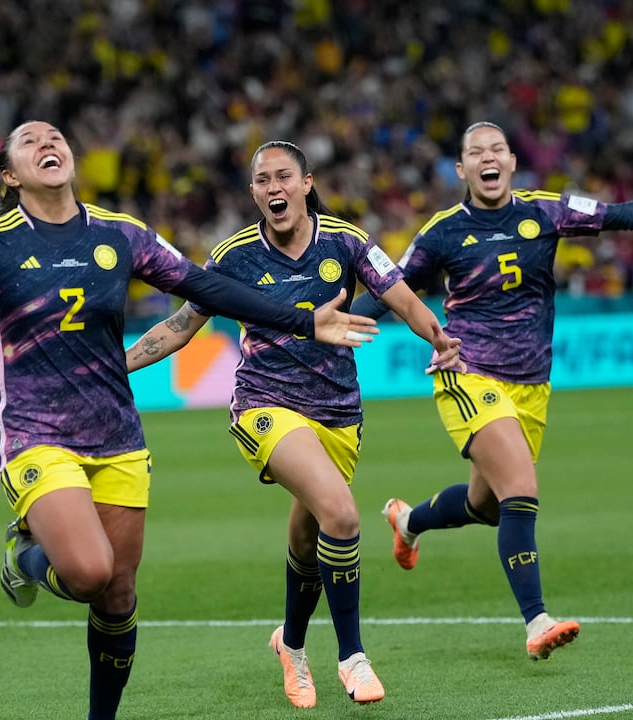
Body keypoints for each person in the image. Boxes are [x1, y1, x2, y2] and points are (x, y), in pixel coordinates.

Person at [0, 120, 382, 720]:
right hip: (34, 431)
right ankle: (23, 557)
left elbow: (203, 287)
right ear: (12, 173)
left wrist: (305, 319)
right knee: (85, 571)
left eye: (55, 137)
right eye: (30, 141)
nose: (47, 143)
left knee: (119, 597)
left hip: (118, 435)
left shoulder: (121, 234)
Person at [351, 121, 633, 660]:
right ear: (461, 170)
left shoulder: (546, 210)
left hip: (531, 385)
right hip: (467, 374)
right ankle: (536, 621)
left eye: (497, 150)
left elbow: (623, 217)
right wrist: (328, 325)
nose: (487, 159)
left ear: (512, 161)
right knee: (521, 491)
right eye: (474, 153)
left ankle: (408, 520)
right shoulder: (442, 231)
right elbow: (389, 289)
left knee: (486, 505)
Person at [125, 141, 463, 708]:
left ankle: (293, 646)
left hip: (337, 413)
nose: (273, 188)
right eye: (262, 181)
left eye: (284, 177)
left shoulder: (347, 242)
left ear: (307, 183)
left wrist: (437, 335)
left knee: (308, 541)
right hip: (265, 405)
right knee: (343, 513)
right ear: (254, 193)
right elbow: (182, 325)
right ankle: (353, 657)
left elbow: (403, 297)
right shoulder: (233, 255)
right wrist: (118, 365)